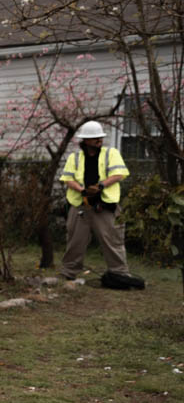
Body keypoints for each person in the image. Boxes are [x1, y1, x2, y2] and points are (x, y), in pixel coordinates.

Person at [57, 121, 134, 284]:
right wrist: (83, 190)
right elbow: (67, 179)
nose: (99, 140)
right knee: (75, 240)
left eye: (100, 137)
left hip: (105, 206)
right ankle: (69, 272)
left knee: (112, 239)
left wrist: (100, 186)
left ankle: (119, 273)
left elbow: (119, 174)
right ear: (85, 141)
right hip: (80, 205)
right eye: (94, 138)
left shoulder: (110, 154)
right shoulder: (75, 157)